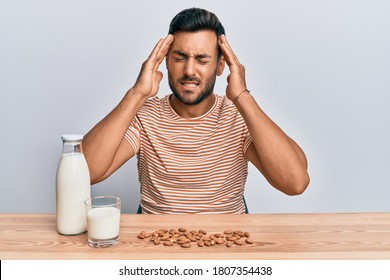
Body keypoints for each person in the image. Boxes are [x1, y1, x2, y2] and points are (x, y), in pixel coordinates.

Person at [83, 8, 310, 214]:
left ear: (221, 66)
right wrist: (137, 93)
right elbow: (86, 173)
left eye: (202, 60)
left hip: (226, 246)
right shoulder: (145, 116)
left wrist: (242, 96)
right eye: (180, 58)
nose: (189, 70)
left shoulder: (239, 117)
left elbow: (295, 183)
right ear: (166, 62)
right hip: (156, 247)